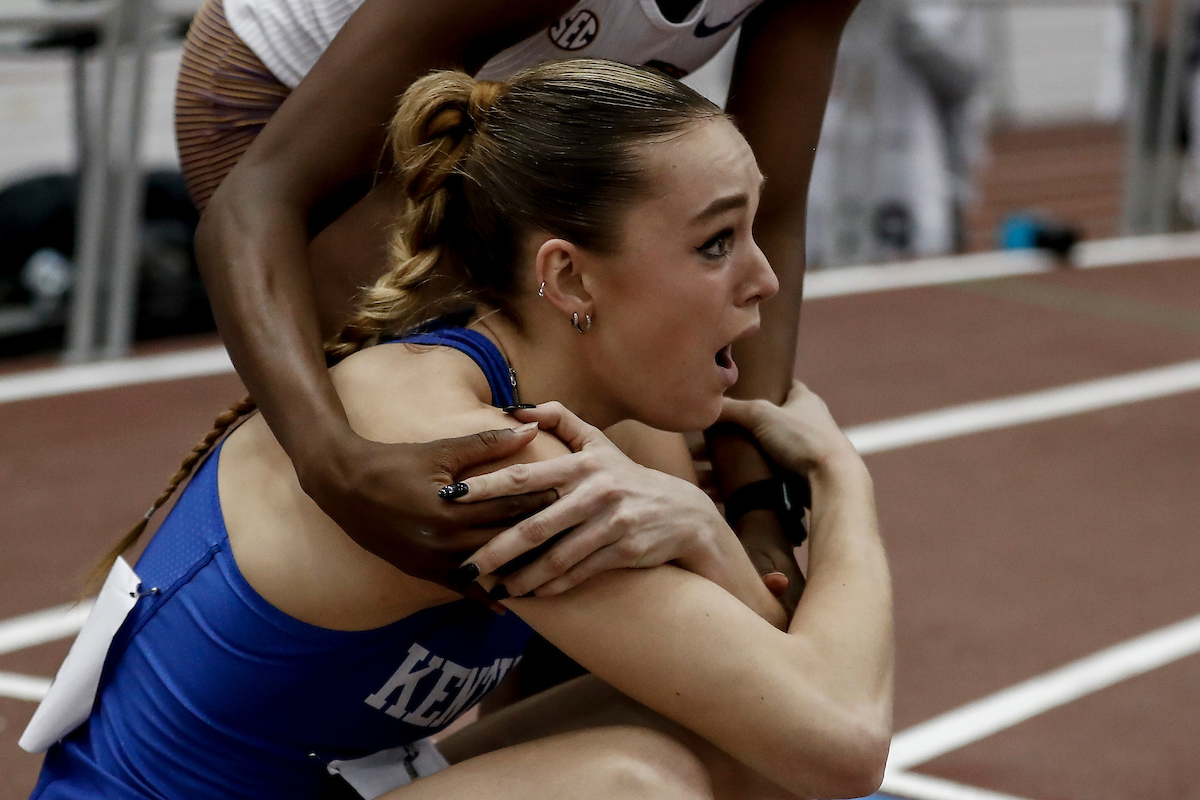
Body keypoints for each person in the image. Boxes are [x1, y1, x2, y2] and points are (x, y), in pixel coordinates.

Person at [32, 61, 891, 799]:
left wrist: (706, 527)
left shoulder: (612, 436)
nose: (766, 280)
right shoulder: (474, 450)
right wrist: (843, 480)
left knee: (726, 740)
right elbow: (840, 744)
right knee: (630, 787)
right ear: (571, 279)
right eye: (716, 243)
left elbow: (779, 694)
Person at [175, 0, 863, 604]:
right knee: (538, 478)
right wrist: (334, 464)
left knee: (611, 480)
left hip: (498, 136)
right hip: (275, 99)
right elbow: (255, 202)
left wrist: (757, 513)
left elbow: (769, 214)